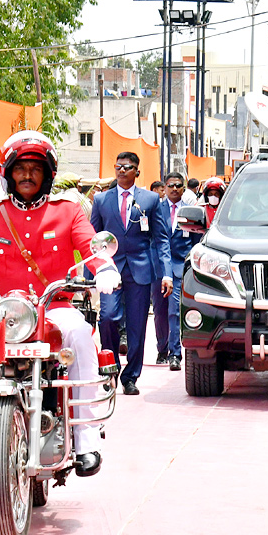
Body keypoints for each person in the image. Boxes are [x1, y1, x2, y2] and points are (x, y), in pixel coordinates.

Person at [0, 131, 121, 475]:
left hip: (54, 307)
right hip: (3, 309)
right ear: (8, 173)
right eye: (20, 168)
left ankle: (87, 439)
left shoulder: (67, 212)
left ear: (47, 174)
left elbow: (90, 245)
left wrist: (105, 269)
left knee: (80, 334)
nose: (27, 175)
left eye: (35, 168)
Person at [90, 152, 171, 396]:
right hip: (109, 269)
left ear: (137, 171)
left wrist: (166, 273)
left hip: (140, 269)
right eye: (118, 167)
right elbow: (92, 240)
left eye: (128, 167)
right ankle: (111, 366)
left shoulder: (150, 200)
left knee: (137, 326)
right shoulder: (101, 200)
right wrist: (88, 275)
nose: (122, 171)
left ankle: (130, 376)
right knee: (108, 317)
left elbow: (162, 238)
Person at [152, 172, 194, 370]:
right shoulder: (155, 209)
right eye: (171, 185)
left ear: (183, 188)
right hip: (157, 267)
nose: (174, 189)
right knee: (159, 312)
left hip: (178, 268)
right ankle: (162, 348)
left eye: (178, 185)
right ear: (165, 188)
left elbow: (195, 241)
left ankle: (175, 354)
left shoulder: (190, 211)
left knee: (174, 311)